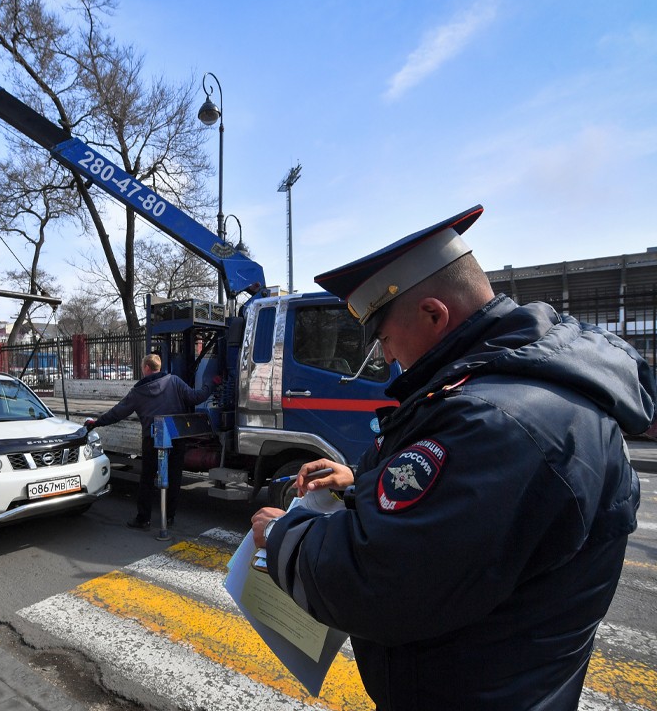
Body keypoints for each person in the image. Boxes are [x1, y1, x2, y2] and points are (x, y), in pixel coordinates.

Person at [250, 204, 655, 710]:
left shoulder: (497, 420)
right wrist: (362, 484)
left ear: (434, 315)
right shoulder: (521, 388)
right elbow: (468, 522)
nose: (389, 358)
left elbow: (379, 581)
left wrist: (284, 534)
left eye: (385, 339)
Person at [85, 353, 218, 529]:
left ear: (147, 368)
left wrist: (97, 422)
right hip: (176, 437)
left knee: (147, 479)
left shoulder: (138, 392)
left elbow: (118, 412)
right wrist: (212, 384)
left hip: (152, 439)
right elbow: (196, 397)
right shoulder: (174, 382)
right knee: (174, 478)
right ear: (158, 367)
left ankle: (143, 519)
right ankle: (169, 517)